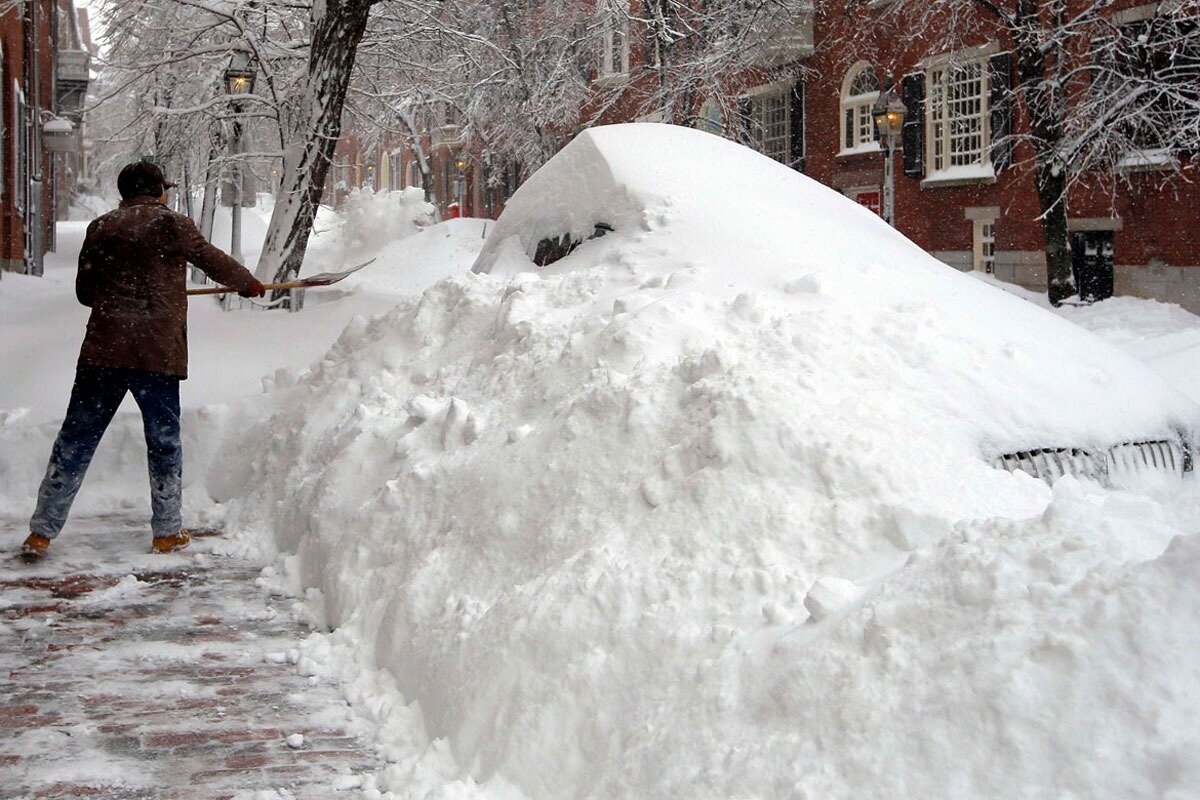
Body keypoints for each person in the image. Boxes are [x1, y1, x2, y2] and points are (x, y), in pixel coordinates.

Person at [21, 161, 266, 560]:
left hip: (105, 350)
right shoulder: (172, 224)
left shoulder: (100, 228)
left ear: (124, 193)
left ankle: (41, 531)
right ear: (158, 192)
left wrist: (118, 292)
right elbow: (210, 259)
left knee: (76, 438)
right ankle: (167, 531)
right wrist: (247, 284)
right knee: (163, 441)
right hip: (156, 352)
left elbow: (85, 292)